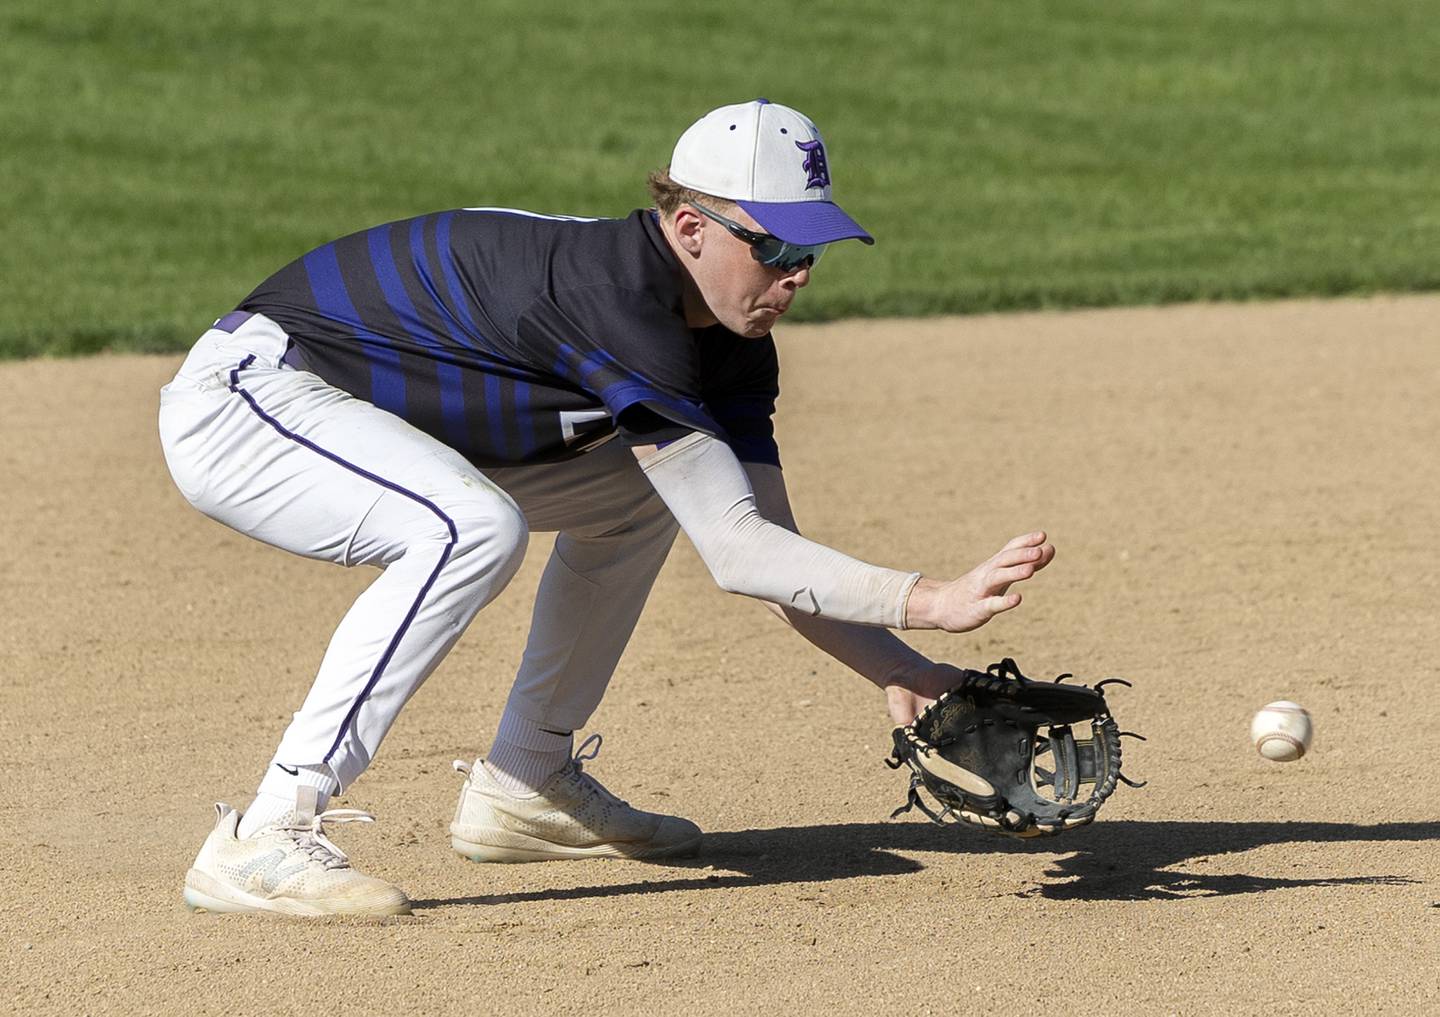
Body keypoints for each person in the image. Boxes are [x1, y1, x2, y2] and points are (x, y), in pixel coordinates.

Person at [158, 98, 1055, 917]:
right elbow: (743, 558)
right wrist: (932, 598)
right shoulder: (614, 295)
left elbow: (758, 543)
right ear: (692, 228)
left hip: (369, 418)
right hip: (251, 399)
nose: (797, 275)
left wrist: (904, 668)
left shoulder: (731, 342)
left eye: (809, 250)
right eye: (774, 248)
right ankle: (267, 831)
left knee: (641, 492)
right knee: (468, 527)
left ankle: (527, 776)